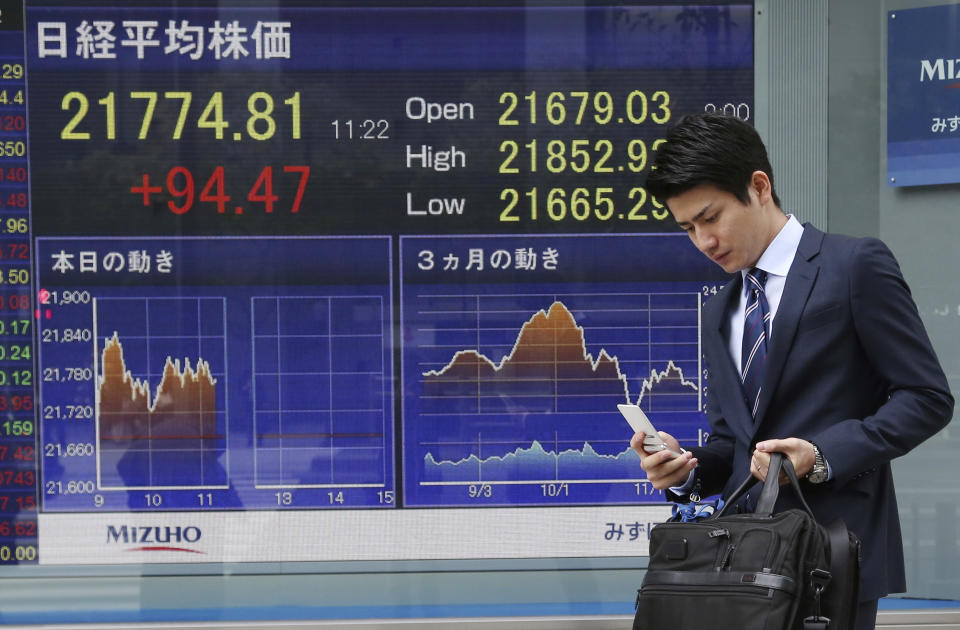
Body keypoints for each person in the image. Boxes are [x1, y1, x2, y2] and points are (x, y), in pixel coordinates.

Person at [633, 113, 954, 630]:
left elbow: (927, 398)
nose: (703, 242)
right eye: (688, 228)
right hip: (741, 568)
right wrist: (687, 470)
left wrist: (822, 455)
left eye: (710, 217)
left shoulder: (855, 266)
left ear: (759, 186)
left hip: (831, 557)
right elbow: (733, 442)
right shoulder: (720, 310)